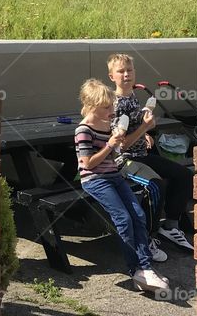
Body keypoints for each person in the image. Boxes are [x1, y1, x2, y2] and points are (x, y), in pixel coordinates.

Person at [76, 78, 170, 293]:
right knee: (124, 219)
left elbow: (116, 154)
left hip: (113, 176)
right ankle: (134, 269)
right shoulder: (83, 130)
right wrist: (110, 144)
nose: (112, 110)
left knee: (138, 215)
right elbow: (88, 164)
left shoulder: (108, 125)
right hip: (95, 180)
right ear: (92, 107)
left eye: (112, 105)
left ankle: (145, 268)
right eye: (106, 107)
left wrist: (121, 141)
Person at [108, 53, 195, 251]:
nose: (126, 75)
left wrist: (144, 135)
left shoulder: (131, 96)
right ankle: (146, 237)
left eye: (129, 70)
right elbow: (120, 147)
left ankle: (170, 226)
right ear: (112, 76)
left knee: (184, 175)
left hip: (142, 156)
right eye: (121, 71)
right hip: (125, 161)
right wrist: (144, 129)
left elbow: (132, 128)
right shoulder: (115, 104)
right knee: (156, 186)